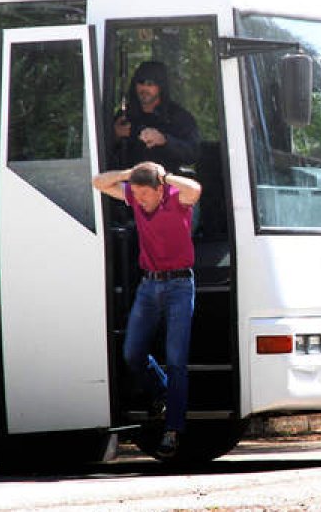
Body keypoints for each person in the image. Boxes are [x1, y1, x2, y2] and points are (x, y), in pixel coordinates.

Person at [93, 160, 202, 459]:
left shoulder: (176, 200)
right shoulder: (135, 196)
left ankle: (172, 430)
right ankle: (163, 392)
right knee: (132, 353)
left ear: (160, 189)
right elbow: (99, 183)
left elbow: (196, 188)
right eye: (135, 192)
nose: (137, 198)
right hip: (149, 286)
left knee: (177, 359)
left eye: (143, 193)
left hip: (180, 286)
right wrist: (129, 174)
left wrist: (165, 176)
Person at [112, 61, 200, 173]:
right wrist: (115, 135)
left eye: (150, 83)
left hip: (167, 183)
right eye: (140, 82)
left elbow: (193, 153)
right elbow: (102, 151)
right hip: (128, 184)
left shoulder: (178, 117)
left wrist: (164, 140)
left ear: (161, 86)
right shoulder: (125, 115)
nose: (144, 88)